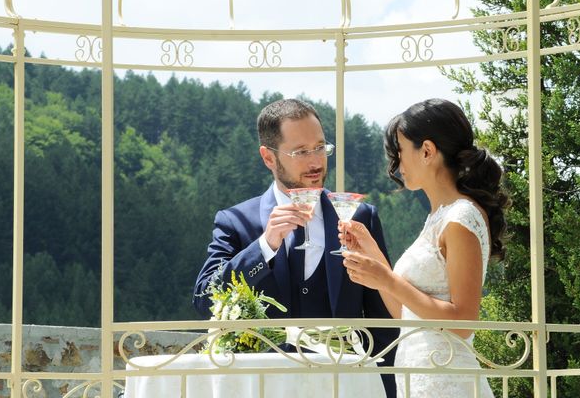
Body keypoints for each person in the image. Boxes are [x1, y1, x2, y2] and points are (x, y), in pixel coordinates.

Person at [193, 98, 398, 398]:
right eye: (301, 152)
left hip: (343, 386)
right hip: (262, 386)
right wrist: (265, 245)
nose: (316, 161)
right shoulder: (235, 222)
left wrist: (387, 388)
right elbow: (204, 298)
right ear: (269, 157)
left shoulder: (359, 216)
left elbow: (383, 320)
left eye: (319, 147)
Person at [341, 98, 509, 398]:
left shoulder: (461, 217)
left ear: (428, 151)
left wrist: (386, 278)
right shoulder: (438, 216)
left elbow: (463, 322)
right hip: (418, 377)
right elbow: (405, 312)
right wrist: (372, 253)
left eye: (401, 152)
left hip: (448, 380)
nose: (397, 165)